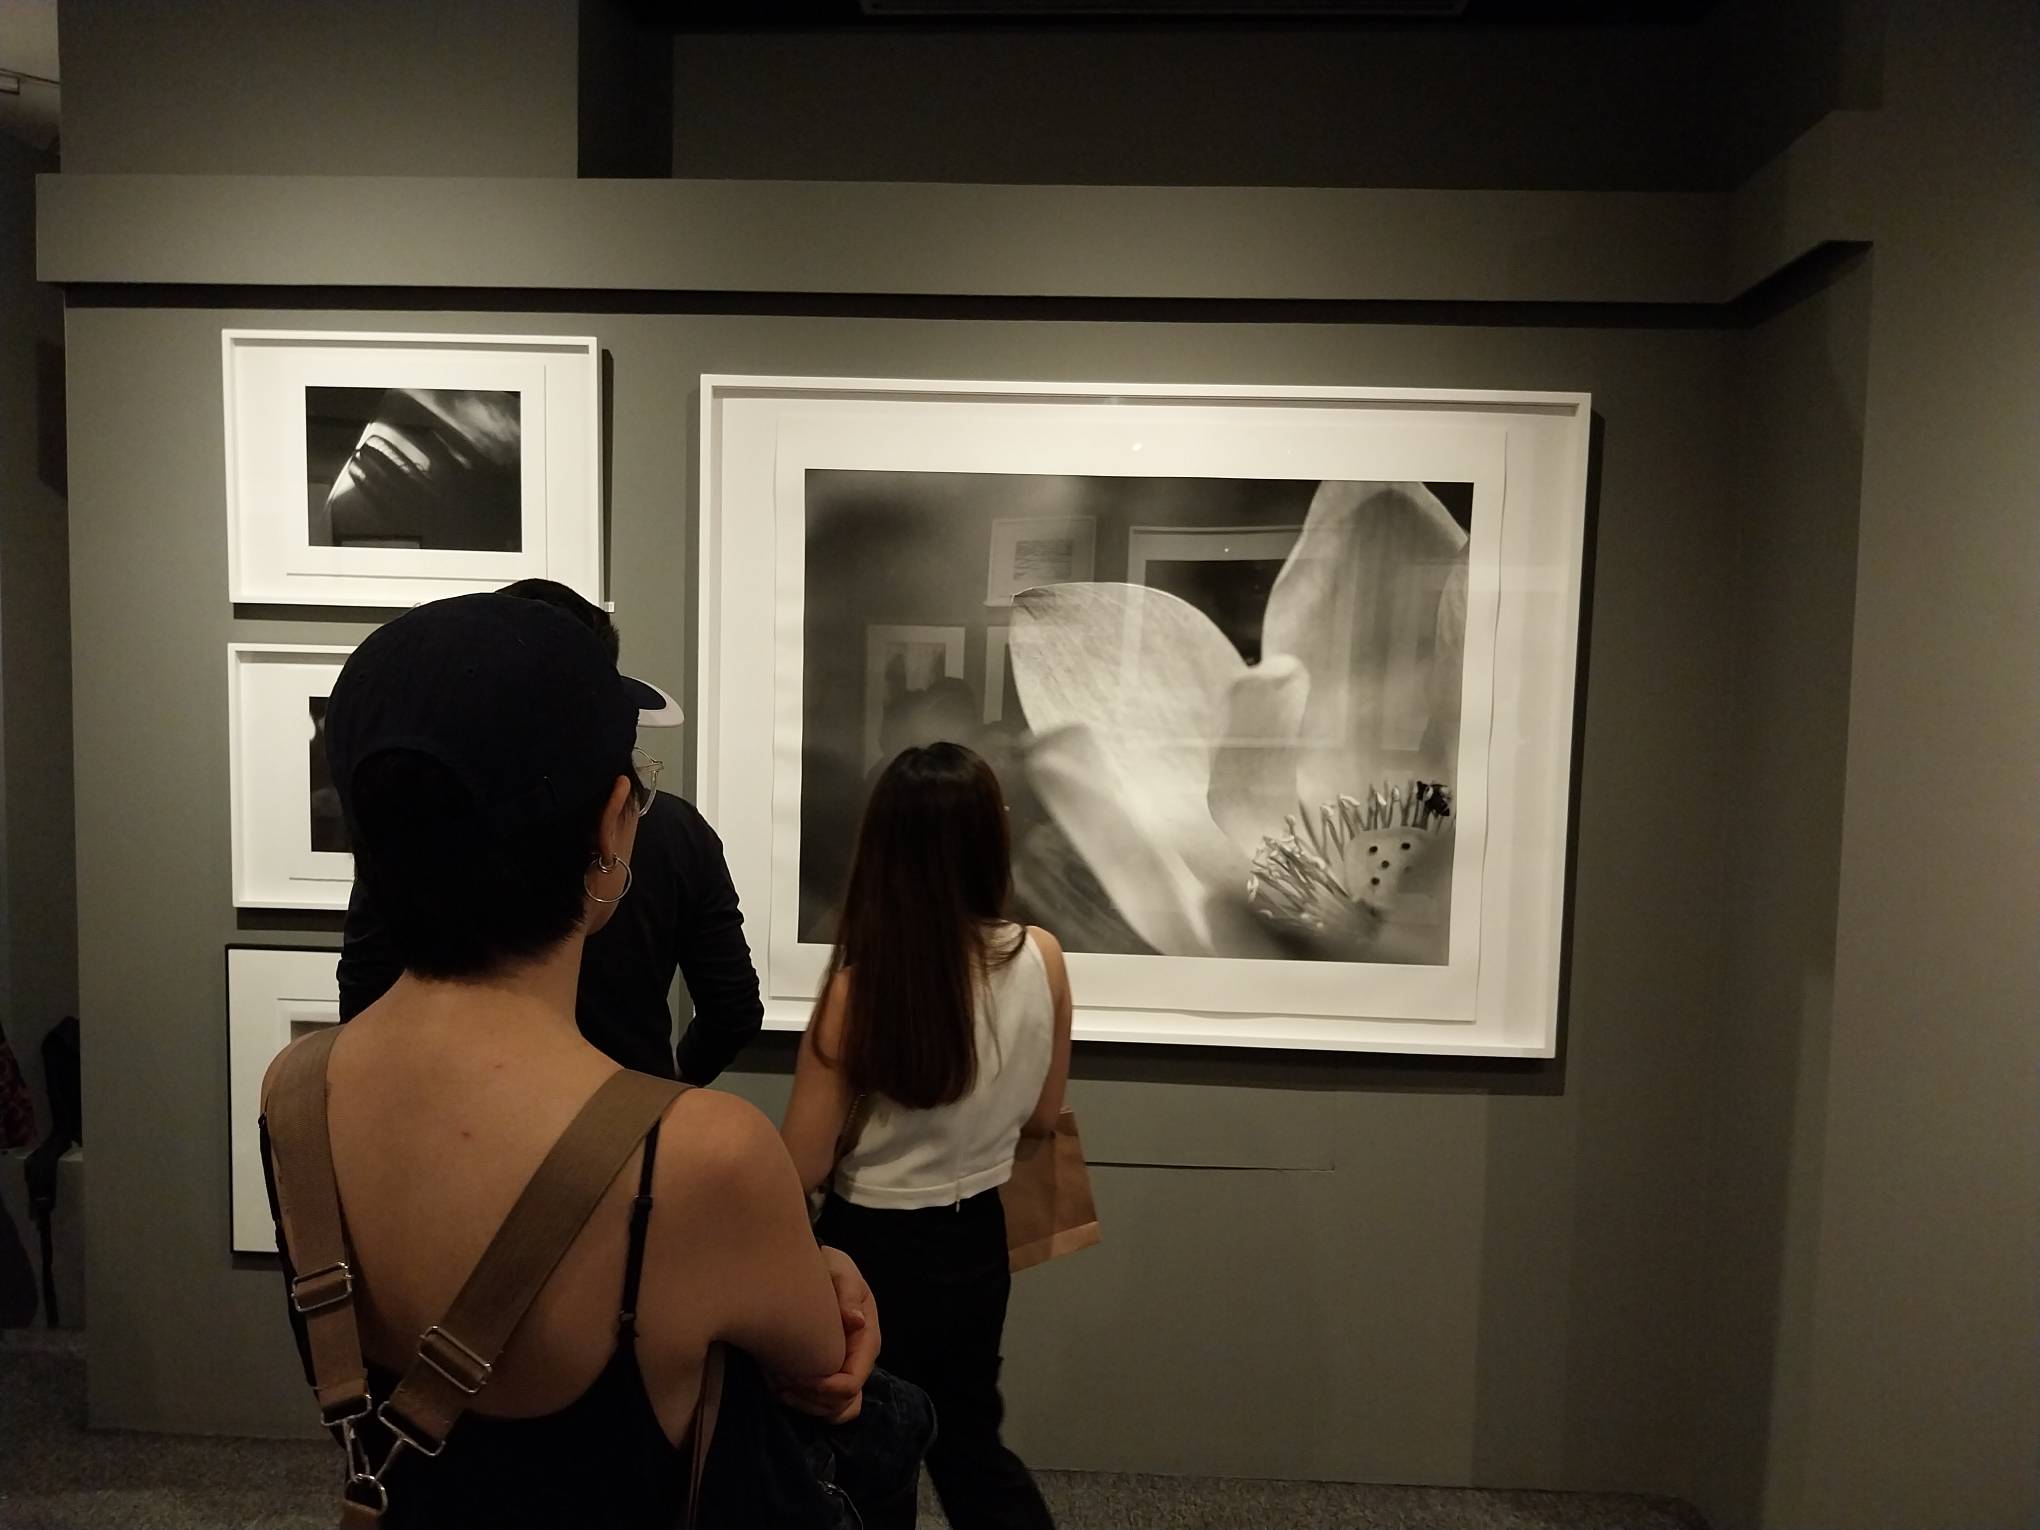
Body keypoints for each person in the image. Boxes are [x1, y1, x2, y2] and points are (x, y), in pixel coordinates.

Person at [262, 592, 898, 1528]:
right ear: (610, 825)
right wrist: (824, 1262)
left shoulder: (295, 1091)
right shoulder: (710, 1155)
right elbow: (824, 1373)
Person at [783, 742, 1074, 1530]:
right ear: (991, 837)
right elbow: (1044, 1120)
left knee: (875, 1446)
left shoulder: (862, 983)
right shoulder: (1040, 956)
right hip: (979, 1235)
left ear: (883, 845)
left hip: (871, 1245)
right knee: (970, 1438)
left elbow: (799, 1163)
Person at [337, 578, 763, 1086]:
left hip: (441, 1108)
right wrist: (665, 1089)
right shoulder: (678, 831)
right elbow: (732, 1007)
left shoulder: (421, 823)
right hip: (627, 1111)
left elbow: (363, 991)